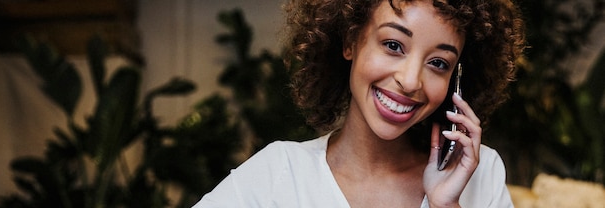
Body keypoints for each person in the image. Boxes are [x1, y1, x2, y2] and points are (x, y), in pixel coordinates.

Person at [194, 0, 524, 207]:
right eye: (393, 44)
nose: (410, 81)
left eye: (438, 63)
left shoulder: (480, 174)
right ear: (351, 40)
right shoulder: (279, 174)